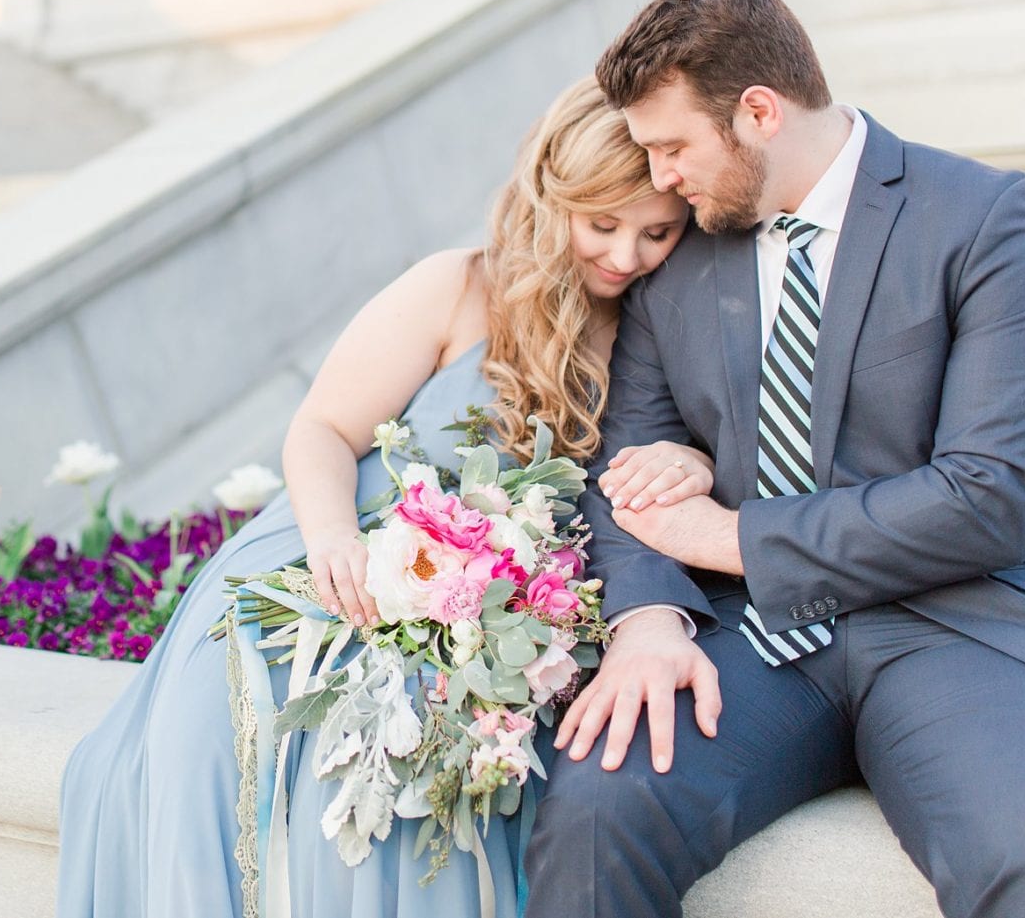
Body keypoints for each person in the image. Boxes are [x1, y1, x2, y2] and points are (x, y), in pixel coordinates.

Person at [524, 0, 1025, 918]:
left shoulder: (988, 220)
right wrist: (647, 621)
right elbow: (629, 466)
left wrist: (733, 538)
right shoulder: (678, 260)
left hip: (963, 624)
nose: (658, 179)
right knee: (594, 812)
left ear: (760, 113)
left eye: (672, 148)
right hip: (746, 641)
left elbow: (991, 495)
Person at [57, 77, 699, 918]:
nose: (624, 256)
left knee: (416, 775)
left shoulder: (666, 328)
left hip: (493, 622)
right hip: (334, 558)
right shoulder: (459, 287)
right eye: (602, 225)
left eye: (656, 232)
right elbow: (321, 427)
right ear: (553, 198)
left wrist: (689, 461)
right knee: (220, 745)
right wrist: (333, 542)